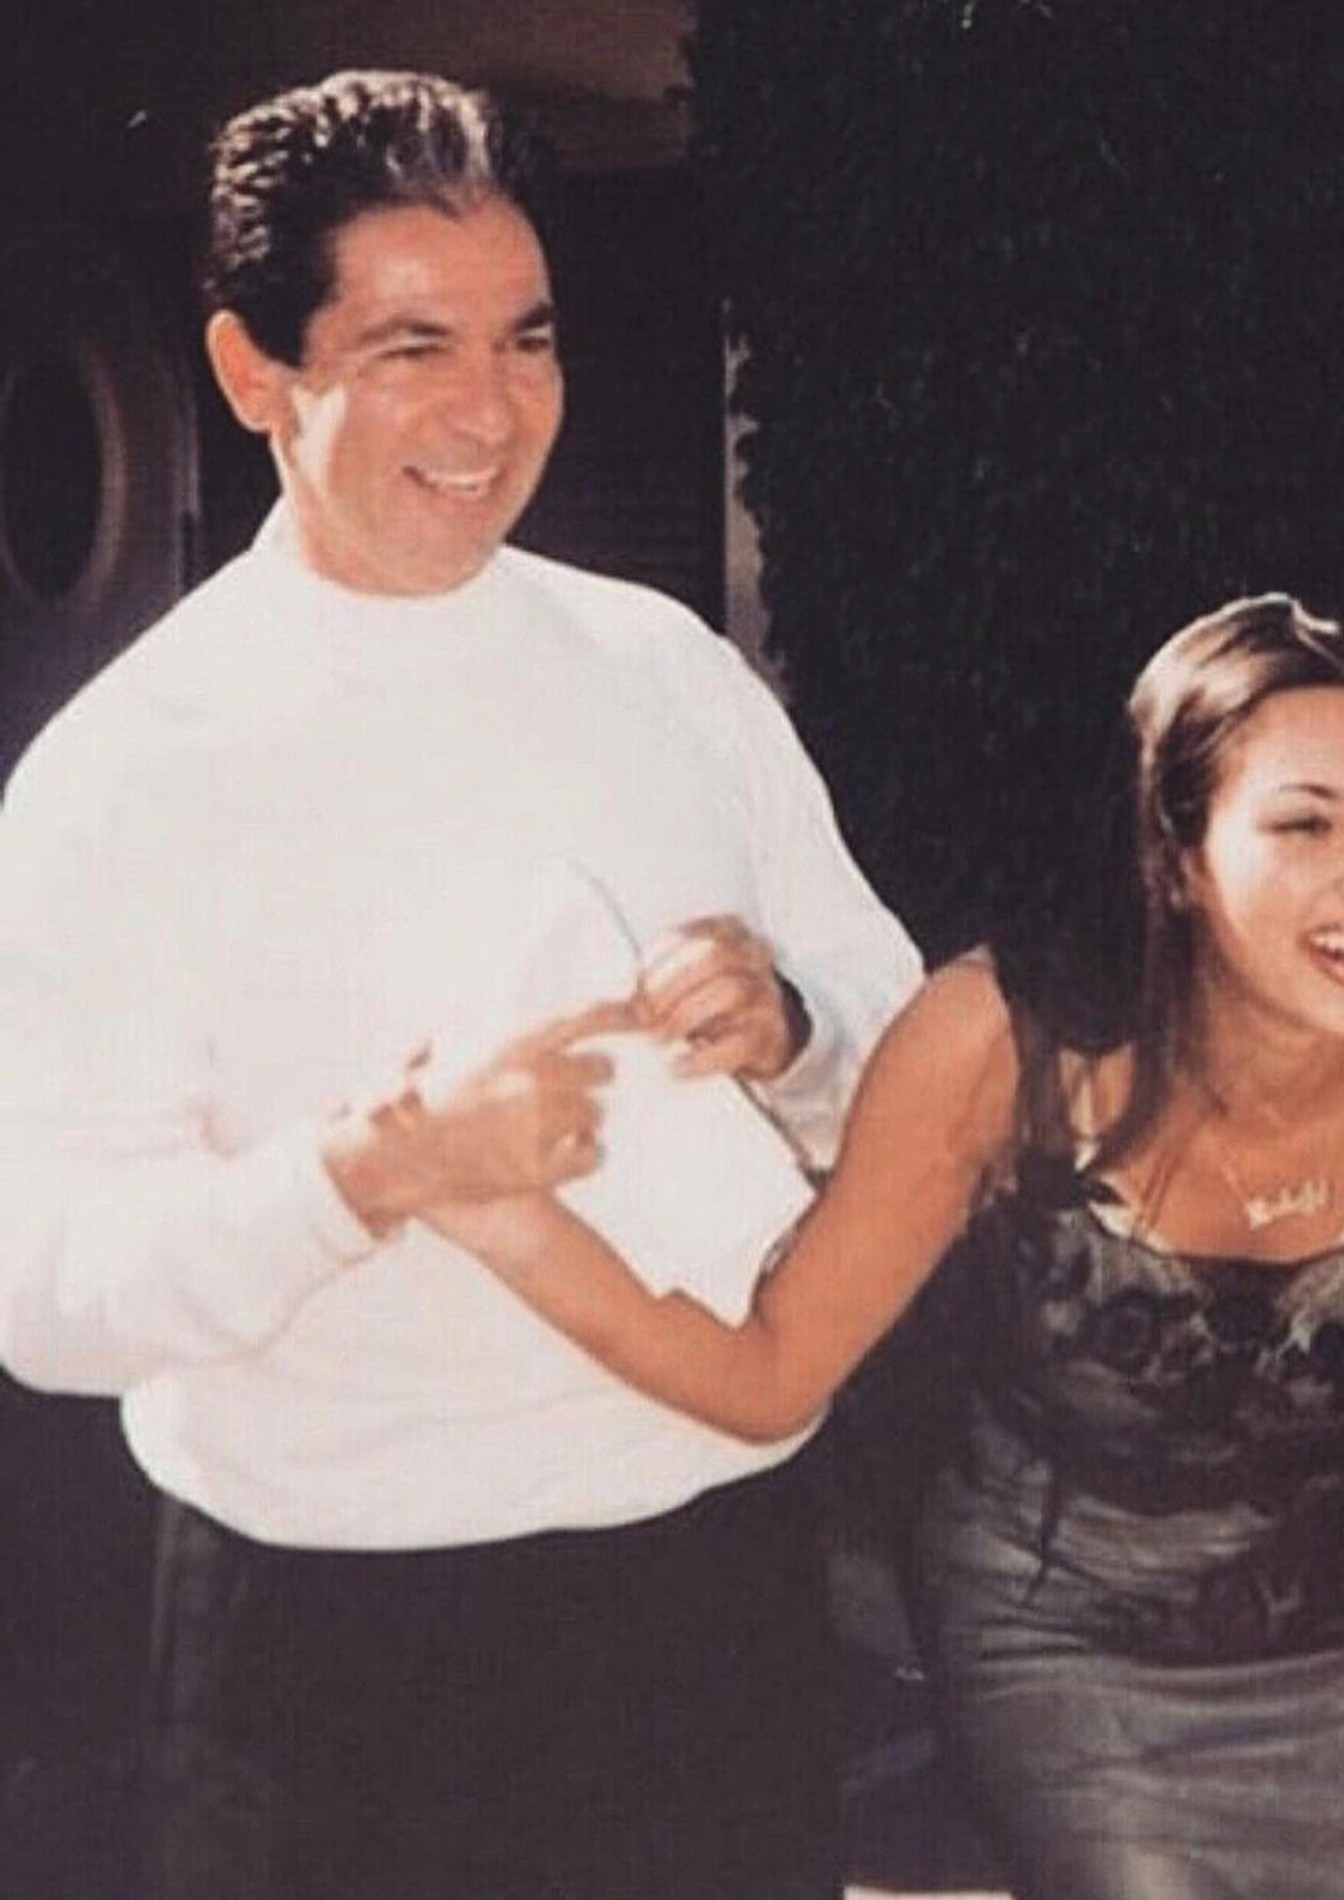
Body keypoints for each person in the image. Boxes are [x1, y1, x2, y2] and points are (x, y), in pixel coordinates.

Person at [431, 591, 1344, 1899]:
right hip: (1070, 1649)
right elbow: (770, 1373)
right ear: (1179, 856)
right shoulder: (998, 1048)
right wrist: (501, 1216)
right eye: (1305, 824)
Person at [0, 69, 919, 1900]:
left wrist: (796, 1027)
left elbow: (891, 1050)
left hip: (711, 1600)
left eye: (528, 338)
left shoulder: (667, 670)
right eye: (412, 346)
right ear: (255, 374)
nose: (490, 411)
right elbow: (41, 1284)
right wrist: (367, 1173)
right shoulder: (129, 768)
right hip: (331, 1652)